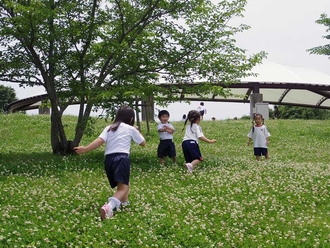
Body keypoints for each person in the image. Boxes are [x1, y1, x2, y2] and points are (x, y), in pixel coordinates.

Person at [74, 106, 146, 220]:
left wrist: (85, 149)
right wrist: (137, 131)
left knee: (122, 183)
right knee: (123, 188)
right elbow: (143, 143)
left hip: (109, 159)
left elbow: (100, 140)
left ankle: (124, 203)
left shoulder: (109, 128)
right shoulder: (130, 128)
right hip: (122, 158)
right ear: (132, 119)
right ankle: (109, 207)